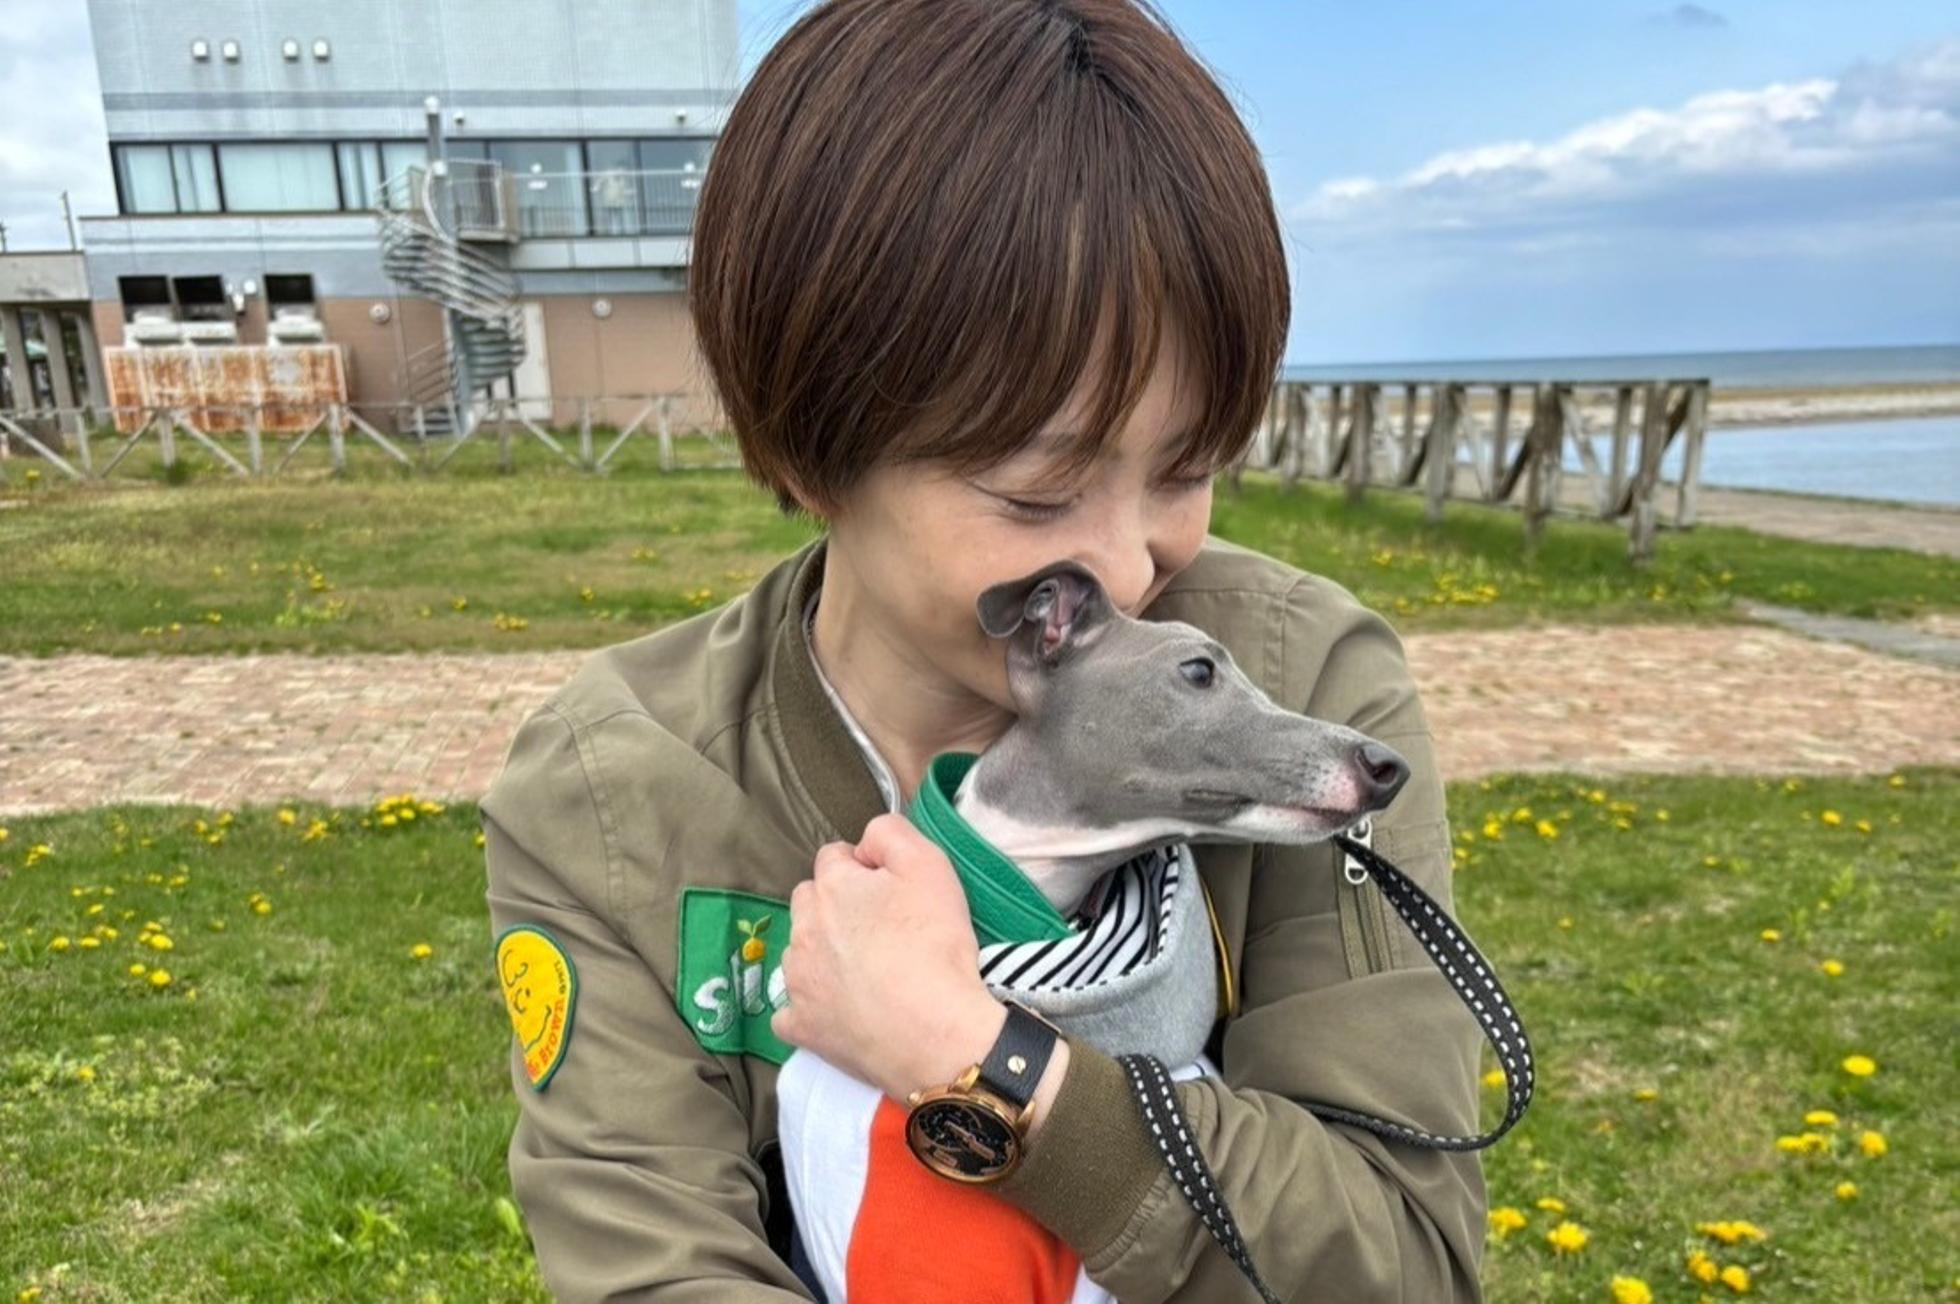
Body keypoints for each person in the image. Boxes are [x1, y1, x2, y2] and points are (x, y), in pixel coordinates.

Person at [479, 0, 1488, 1299]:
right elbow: (655, 1266)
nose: (1130, 568)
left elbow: (1400, 1258)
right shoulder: (614, 791)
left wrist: (977, 1058)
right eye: (1038, 493)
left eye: (1188, 468)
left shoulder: (1303, 683)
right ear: (808, 447)